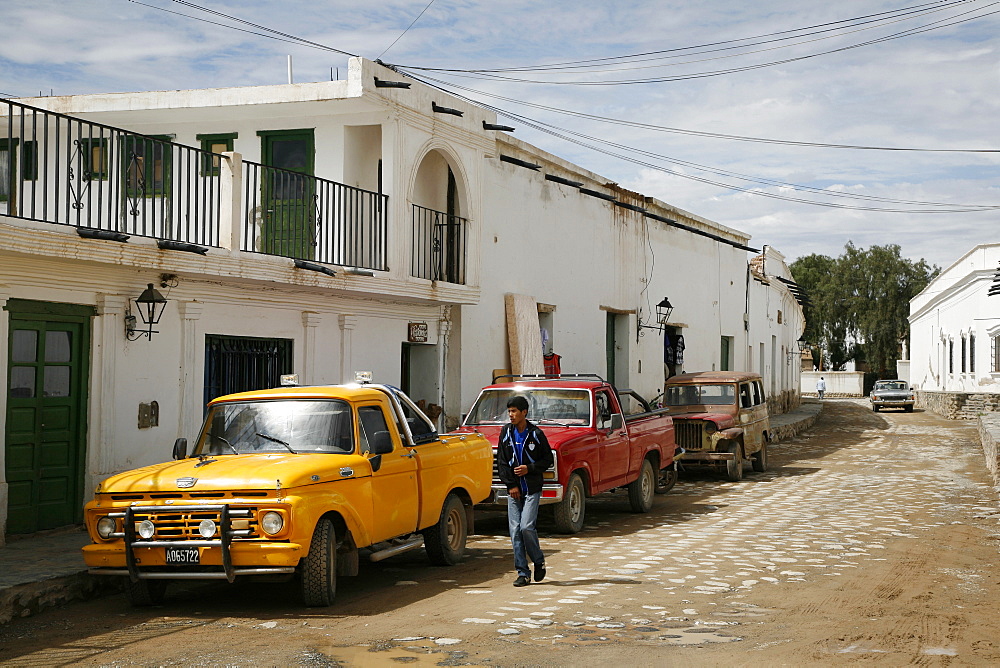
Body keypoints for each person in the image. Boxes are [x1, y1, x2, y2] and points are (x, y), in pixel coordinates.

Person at [496, 395, 554, 587]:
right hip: (514, 490)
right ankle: (523, 572)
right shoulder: (506, 432)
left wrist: (530, 468)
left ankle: (538, 560)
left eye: (514, 411)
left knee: (526, 527)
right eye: (509, 411)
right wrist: (511, 485)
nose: (511, 415)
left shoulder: (536, 434)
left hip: (532, 489)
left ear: (524, 413)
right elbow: (502, 462)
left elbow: (548, 460)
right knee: (515, 531)